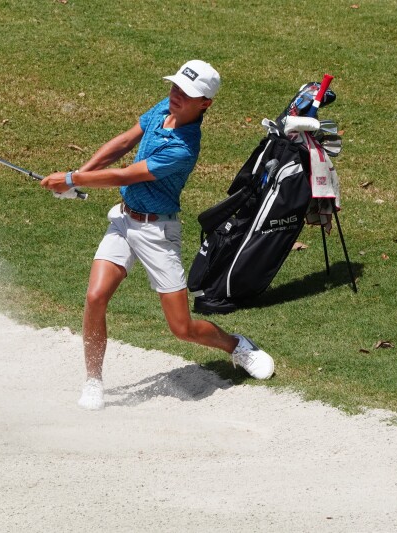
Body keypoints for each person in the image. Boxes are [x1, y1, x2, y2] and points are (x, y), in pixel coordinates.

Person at [41, 60, 274, 410]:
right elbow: (123, 142)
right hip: (123, 220)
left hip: (157, 232)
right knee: (95, 297)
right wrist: (80, 174)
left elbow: (126, 176)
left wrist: (72, 179)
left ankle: (236, 346)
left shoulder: (183, 147)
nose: (177, 96)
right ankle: (93, 380)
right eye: (176, 87)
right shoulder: (164, 107)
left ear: (205, 103)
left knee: (182, 328)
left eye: (187, 94)